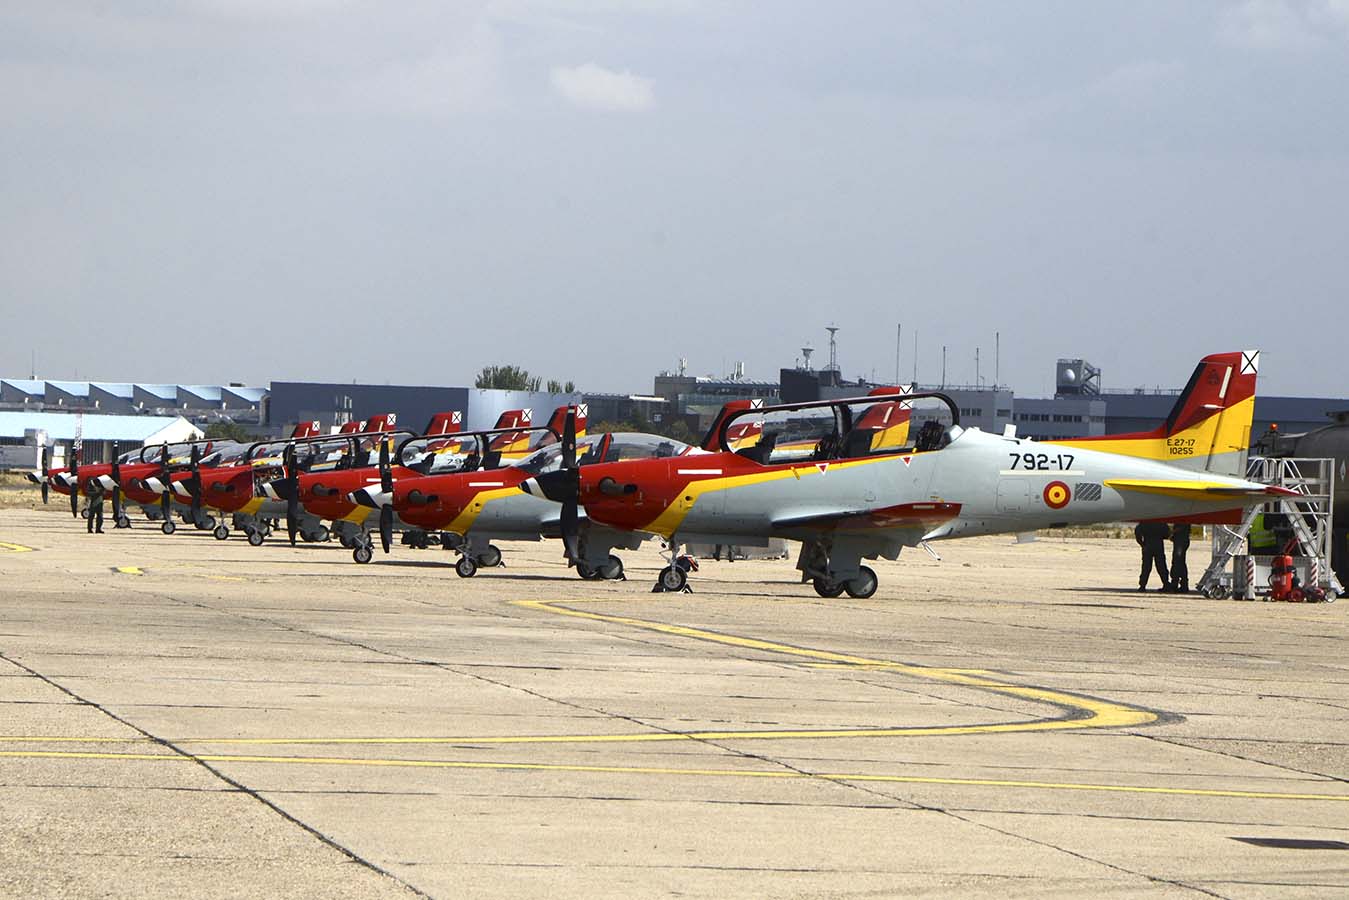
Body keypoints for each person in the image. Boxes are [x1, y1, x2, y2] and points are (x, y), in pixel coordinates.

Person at [1134, 521, 1170, 591]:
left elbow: (1137, 533)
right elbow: (1167, 534)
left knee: (1146, 567)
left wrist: (1142, 544)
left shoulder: (1145, 521)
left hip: (1148, 545)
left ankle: (1142, 585)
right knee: (1161, 566)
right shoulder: (1161, 522)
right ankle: (1166, 583)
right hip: (1158, 545)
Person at [1169, 523, 1192, 593]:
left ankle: (1175, 584)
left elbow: (1183, 526)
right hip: (1180, 539)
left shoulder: (1183, 518)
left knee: (1177, 562)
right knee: (1180, 563)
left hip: (1181, 540)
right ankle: (1183, 585)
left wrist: (1173, 532)